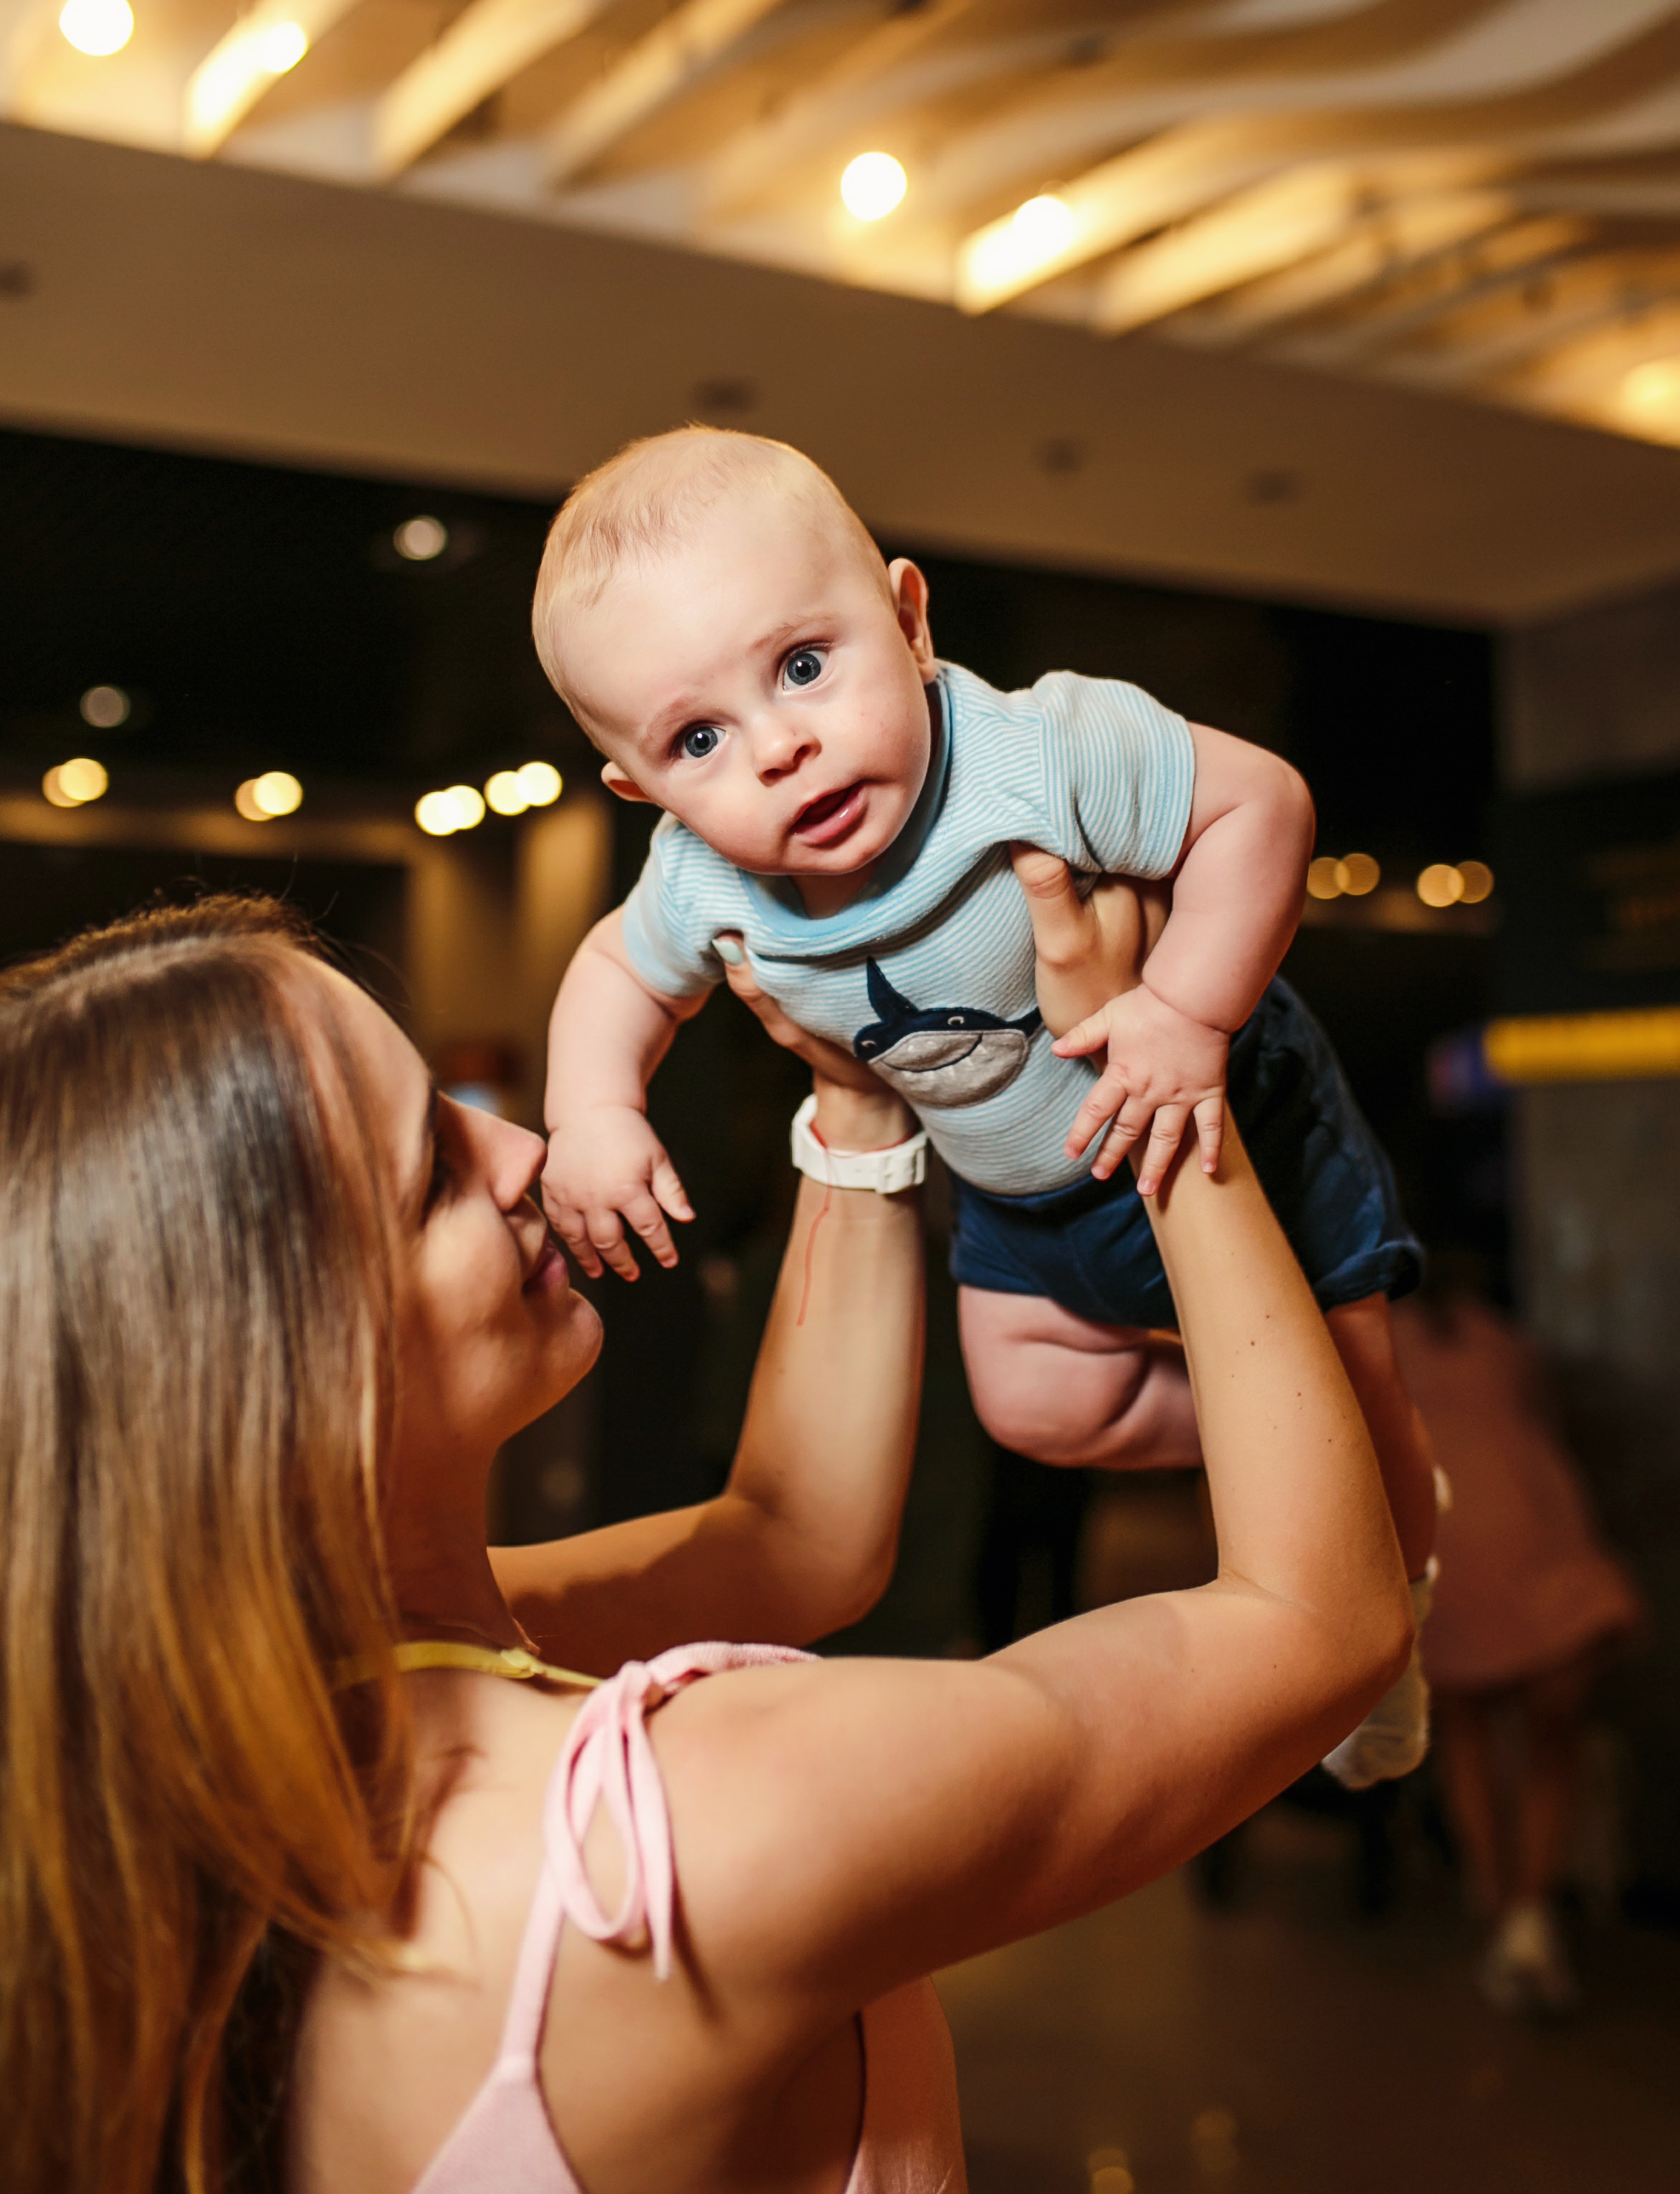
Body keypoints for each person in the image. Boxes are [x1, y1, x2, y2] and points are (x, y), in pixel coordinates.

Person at [1, 869, 1409, 2194]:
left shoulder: (246, 1721)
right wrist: (1151, 1068)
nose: (521, 1150)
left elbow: (793, 1542)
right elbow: (1314, 1624)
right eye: (431, 1169)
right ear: (282, 1373)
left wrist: (855, 1097)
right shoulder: (675, 1841)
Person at [533, 426, 1436, 1779]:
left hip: (1215, 1116)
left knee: (1359, 1386)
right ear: (640, 789)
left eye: (802, 665)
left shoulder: (1036, 751)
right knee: (1035, 1407)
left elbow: (1260, 805)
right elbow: (618, 971)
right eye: (697, 739)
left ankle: (1390, 1601)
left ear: (908, 619)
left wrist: (1184, 1013)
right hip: (1023, 1194)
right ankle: (1290, 1436)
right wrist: (594, 1109)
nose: (780, 747)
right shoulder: (699, 878)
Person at [1392, 1276, 1643, 2016]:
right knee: (1551, 1741)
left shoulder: (1376, 1339)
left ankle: (1503, 1915)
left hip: (1447, 1543)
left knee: (1467, 1736)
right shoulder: (1507, 1343)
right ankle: (1529, 1919)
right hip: (1539, 1544)